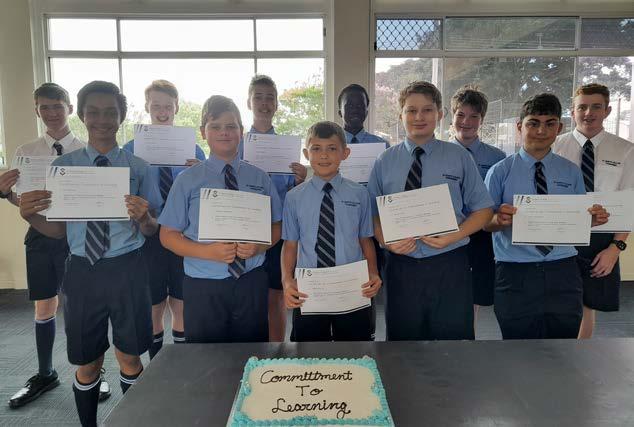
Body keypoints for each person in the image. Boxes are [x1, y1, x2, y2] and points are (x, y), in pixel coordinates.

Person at [19, 81, 161, 426]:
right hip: (82, 271)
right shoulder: (64, 167)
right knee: (87, 362)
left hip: (128, 269)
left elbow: (152, 229)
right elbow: (59, 231)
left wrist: (144, 218)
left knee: (131, 358)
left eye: (110, 112)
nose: (102, 119)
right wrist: (30, 216)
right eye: (93, 112)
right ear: (81, 115)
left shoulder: (140, 167)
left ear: (121, 116)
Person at [0, 83, 110, 408]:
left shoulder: (87, 149)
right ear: (37, 110)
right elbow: (22, 201)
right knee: (44, 305)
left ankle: (95, 370)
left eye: (57, 106)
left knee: (85, 305)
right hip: (39, 235)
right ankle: (45, 373)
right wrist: (7, 194)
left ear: (69, 109)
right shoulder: (26, 151)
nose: (51, 113)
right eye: (44, 107)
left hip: (78, 237)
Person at [367, 81, 494, 341]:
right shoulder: (385, 160)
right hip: (401, 265)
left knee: (453, 342)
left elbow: (483, 210)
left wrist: (454, 236)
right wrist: (386, 241)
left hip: (449, 262)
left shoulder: (459, 156)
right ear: (401, 115)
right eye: (411, 110)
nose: (419, 117)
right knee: (403, 344)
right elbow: (372, 213)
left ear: (440, 114)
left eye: (427, 110)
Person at [158, 95, 282, 343]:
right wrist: (208, 252)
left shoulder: (260, 178)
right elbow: (168, 236)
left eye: (231, 126)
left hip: (251, 280)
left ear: (241, 131)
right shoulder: (187, 180)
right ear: (203, 133)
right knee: (207, 357)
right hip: (204, 283)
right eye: (215, 126)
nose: (224, 132)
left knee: (251, 352)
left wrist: (259, 246)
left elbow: (277, 226)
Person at [484, 93, 609, 340]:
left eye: (550, 124)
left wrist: (591, 220)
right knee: (517, 347)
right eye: (533, 123)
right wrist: (498, 220)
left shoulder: (571, 172)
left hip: (563, 271)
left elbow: (578, 218)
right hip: (515, 272)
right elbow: (484, 222)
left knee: (563, 346)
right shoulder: (499, 172)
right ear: (519, 127)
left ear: (559, 128)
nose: (541, 131)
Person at [123, 80, 206, 357]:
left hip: (183, 233)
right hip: (146, 233)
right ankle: (156, 365)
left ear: (176, 108)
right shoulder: (130, 150)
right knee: (154, 304)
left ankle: (181, 363)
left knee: (181, 302)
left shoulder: (194, 150)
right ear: (147, 107)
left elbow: (205, 196)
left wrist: (201, 172)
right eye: (156, 105)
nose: (162, 111)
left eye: (168, 106)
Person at [282, 121, 382, 341]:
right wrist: (287, 281)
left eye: (332, 148)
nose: (324, 155)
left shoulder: (359, 194)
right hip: (309, 290)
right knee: (308, 351)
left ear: (345, 153)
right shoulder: (294, 197)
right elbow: (290, 245)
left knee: (355, 350)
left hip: (352, 287)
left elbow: (365, 239)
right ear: (306, 154)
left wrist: (373, 272)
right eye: (316, 148)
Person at [553, 83, 634, 339]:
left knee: (588, 304)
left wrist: (615, 249)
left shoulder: (626, 150)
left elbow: (630, 204)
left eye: (596, 107)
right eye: (582, 107)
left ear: (607, 110)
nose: (589, 113)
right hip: (560, 233)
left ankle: (579, 354)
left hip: (602, 239)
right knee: (558, 300)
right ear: (573, 111)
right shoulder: (555, 146)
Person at [245, 75, 306, 342]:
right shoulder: (235, 145)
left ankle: (277, 352)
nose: (264, 103)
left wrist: (300, 181)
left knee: (276, 297)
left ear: (277, 104)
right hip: (245, 229)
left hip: (277, 230)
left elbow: (292, 195)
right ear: (249, 102)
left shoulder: (287, 148)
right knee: (248, 296)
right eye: (258, 97)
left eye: (270, 98)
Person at [449, 85, 506, 326]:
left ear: (482, 120)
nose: (466, 122)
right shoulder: (438, 153)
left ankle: (467, 336)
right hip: (448, 232)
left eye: (474, 116)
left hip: (482, 234)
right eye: (460, 114)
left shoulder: (497, 158)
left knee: (474, 294)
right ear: (452, 116)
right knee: (448, 289)